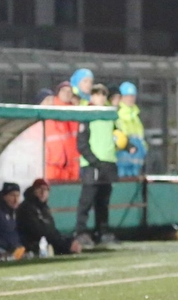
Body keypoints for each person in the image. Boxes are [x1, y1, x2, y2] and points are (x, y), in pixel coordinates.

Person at [75, 86, 120, 245]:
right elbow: (81, 143)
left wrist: (126, 145)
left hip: (108, 163)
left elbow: (117, 136)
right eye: (97, 95)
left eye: (103, 95)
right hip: (92, 165)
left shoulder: (110, 115)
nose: (100, 98)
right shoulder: (86, 115)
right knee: (87, 200)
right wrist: (94, 160)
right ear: (91, 97)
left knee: (103, 201)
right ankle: (81, 232)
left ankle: (102, 231)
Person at [17, 178, 82, 256]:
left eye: (46, 190)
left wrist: (68, 241)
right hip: (34, 246)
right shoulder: (27, 208)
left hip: (46, 242)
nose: (43, 192)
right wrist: (66, 245)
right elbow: (39, 232)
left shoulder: (44, 208)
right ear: (34, 191)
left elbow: (52, 231)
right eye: (40, 189)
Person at [115, 81, 147, 178]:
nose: (130, 99)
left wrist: (144, 148)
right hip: (122, 159)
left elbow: (140, 136)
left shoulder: (136, 116)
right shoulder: (117, 114)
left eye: (132, 96)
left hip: (137, 160)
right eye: (127, 96)